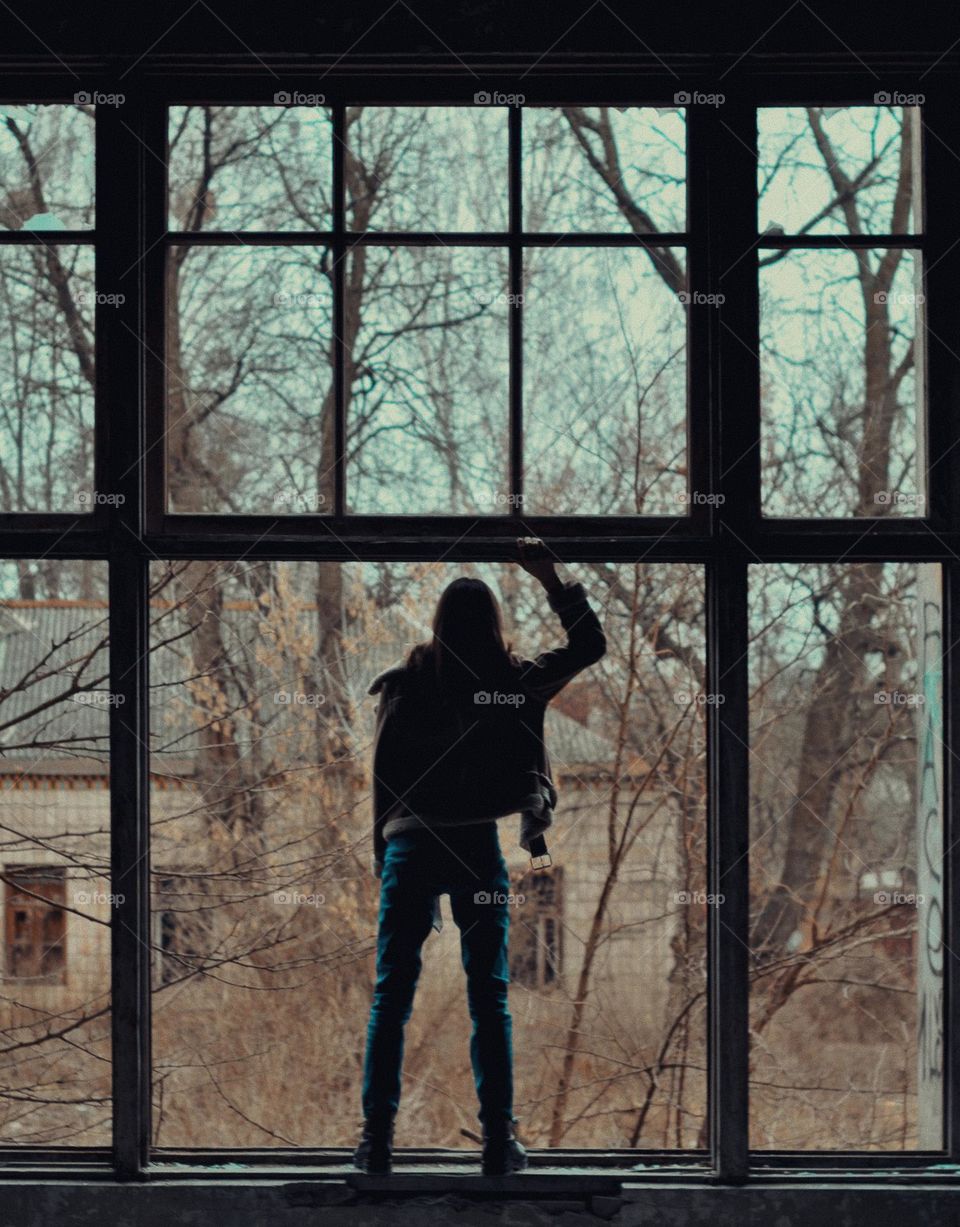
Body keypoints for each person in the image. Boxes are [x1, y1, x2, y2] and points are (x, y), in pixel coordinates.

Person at [353, 537, 606, 1176]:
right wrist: (551, 575)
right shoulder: (512, 682)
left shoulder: (406, 685)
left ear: (437, 624)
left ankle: (375, 1143)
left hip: (410, 845)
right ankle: (498, 1142)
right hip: (472, 846)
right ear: (492, 625)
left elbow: (381, 779)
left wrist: (385, 861)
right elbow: (589, 646)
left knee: (391, 996)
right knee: (488, 996)